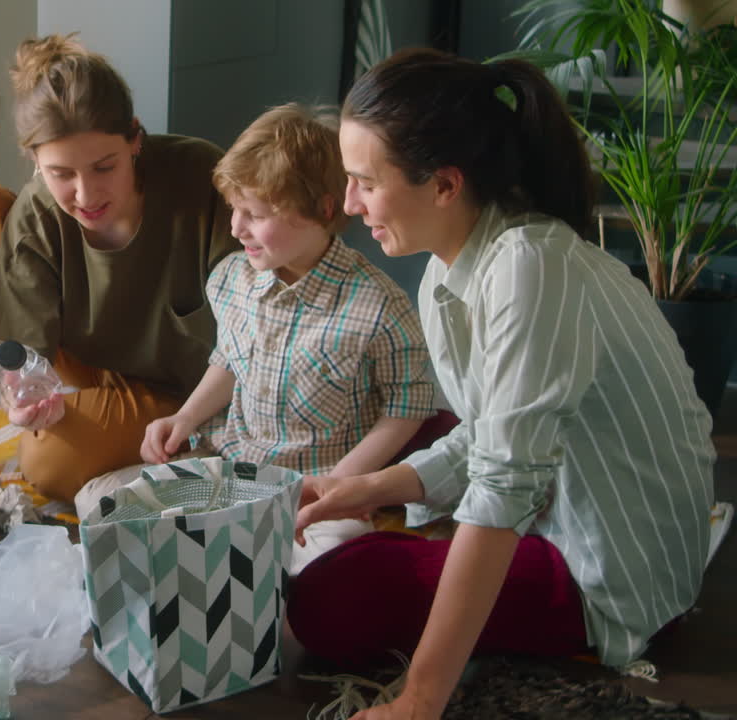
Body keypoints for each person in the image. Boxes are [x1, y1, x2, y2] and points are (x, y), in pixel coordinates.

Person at [289, 48, 716, 720]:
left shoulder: (530, 266)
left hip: (610, 568)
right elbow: (487, 434)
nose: (348, 203)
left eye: (364, 182)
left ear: (445, 185)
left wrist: (420, 698)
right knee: (422, 445)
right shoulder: (445, 275)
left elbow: (505, 478)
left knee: (327, 601)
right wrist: (371, 487)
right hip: (553, 502)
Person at [0, 33, 239, 500]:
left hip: (189, 392)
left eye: (105, 167)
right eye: (62, 174)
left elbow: (257, 325)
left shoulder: (202, 178)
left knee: (49, 463)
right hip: (89, 364)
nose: (86, 195)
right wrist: (21, 395)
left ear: (136, 140)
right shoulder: (37, 211)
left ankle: (199, 453)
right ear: (35, 161)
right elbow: (20, 352)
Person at [135, 103, 434, 489]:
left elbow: (405, 408)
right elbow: (229, 359)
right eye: (234, 209)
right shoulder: (231, 279)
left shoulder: (379, 307)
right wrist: (185, 418)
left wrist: (340, 484)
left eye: (256, 216)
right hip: (231, 463)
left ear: (323, 211)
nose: (236, 228)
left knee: (329, 545)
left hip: (316, 481)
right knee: (113, 500)